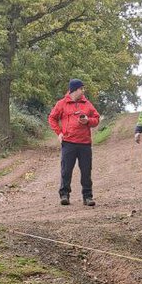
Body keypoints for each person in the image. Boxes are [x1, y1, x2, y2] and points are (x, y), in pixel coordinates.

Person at [48, 79, 101, 207]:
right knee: (66, 170)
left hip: (84, 143)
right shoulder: (61, 104)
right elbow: (52, 118)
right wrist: (59, 133)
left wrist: (88, 120)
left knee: (86, 171)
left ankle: (87, 197)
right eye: (81, 89)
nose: (83, 91)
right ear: (74, 90)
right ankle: (64, 195)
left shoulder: (87, 104)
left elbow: (97, 118)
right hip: (68, 142)